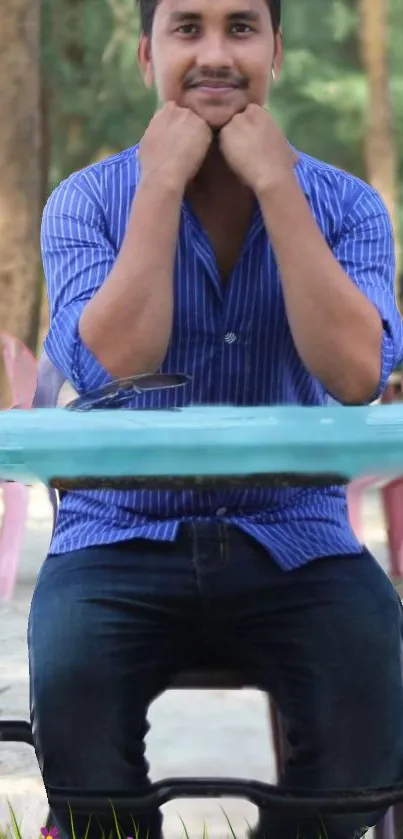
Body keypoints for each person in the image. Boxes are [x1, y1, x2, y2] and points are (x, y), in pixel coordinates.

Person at [29, 0, 403, 836]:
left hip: (297, 540)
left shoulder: (346, 207)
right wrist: (160, 181)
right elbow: (111, 362)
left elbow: (353, 375)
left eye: (240, 28)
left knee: (369, 700)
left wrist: (276, 182)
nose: (213, 54)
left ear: (276, 50)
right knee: (75, 707)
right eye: (185, 28)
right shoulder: (84, 201)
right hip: (115, 540)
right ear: (144, 56)